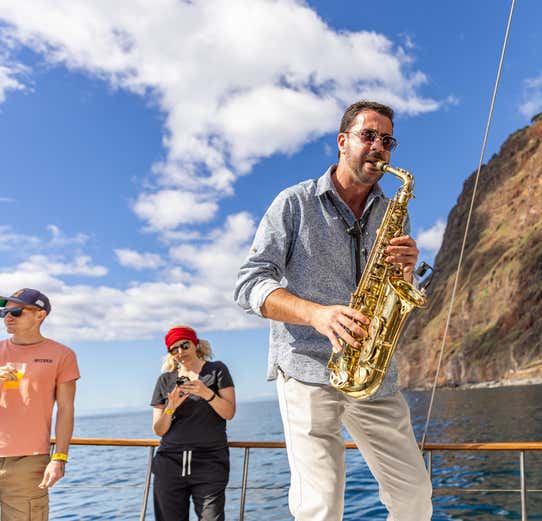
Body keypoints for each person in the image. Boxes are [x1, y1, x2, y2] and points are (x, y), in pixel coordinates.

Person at [234, 100, 432, 521]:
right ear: (342, 142)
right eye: (368, 136)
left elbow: (397, 291)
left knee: (415, 496)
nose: (379, 146)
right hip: (307, 369)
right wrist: (317, 315)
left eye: (387, 140)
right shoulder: (294, 203)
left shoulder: (393, 212)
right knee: (320, 505)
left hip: (372, 374)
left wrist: (408, 271)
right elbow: (248, 284)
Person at [0, 288, 80, 520]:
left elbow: (66, 409)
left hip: (29, 461)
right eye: (5, 311)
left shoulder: (62, 355)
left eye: (15, 311)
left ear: (40, 315)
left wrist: (60, 458)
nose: (8, 316)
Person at [150, 325, 236, 521]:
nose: (180, 352)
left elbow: (229, 412)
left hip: (210, 462)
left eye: (185, 345)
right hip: (169, 463)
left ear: (195, 345)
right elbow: (159, 429)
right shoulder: (165, 380)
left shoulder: (217, 371)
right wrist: (171, 406)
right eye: (174, 349)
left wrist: (206, 393)